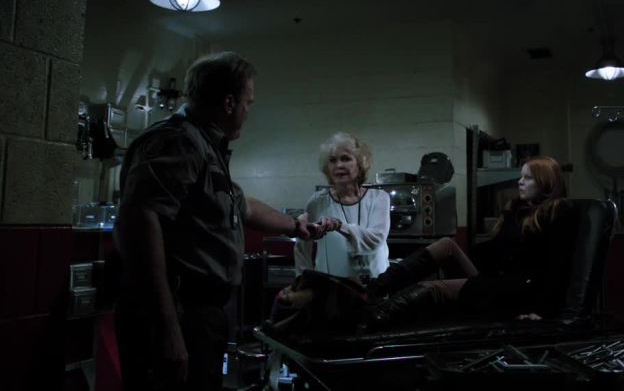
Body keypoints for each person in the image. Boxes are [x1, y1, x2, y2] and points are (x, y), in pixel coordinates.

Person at [114, 51, 335, 391]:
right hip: (177, 312)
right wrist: (167, 326)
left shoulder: (204, 146)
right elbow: (139, 222)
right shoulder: (177, 141)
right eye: (248, 102)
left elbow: (242, 206)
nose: (249, 111)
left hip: (200, 314)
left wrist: (296, 226)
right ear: (229, 102)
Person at [362, 155, 578, 329]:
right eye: (521, 176)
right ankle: (374, 289)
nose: (520, 182)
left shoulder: (556, 212)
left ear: (545, 182)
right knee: (446, 244)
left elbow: (557, 266)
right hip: (498, 279)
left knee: (433, 288)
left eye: (528, 178)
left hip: (517, 291)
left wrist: (541, 310)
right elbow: (496, 249)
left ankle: (374, 317)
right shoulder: (520, 211)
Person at [294, 132, 391, 280]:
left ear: (360, 164)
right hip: (332, 287)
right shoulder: (317, 201)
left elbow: (376, 239)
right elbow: (302, 246)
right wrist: (303, 279)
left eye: (346, 159)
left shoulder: (379, 198)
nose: (339, 165)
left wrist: (340, 225)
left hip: (376, 284)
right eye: (332, 160)